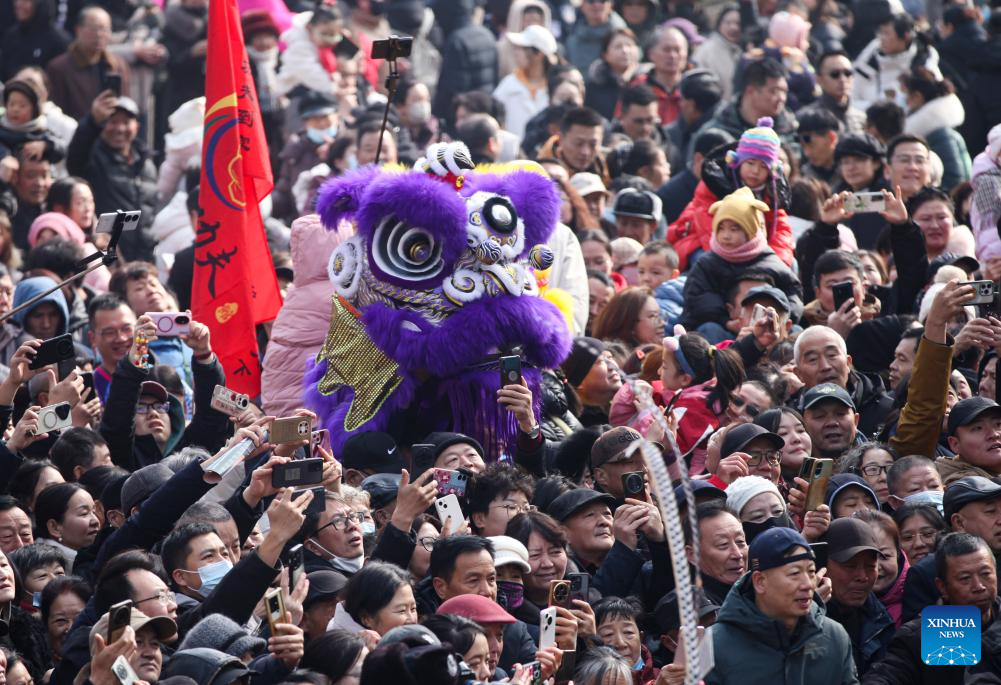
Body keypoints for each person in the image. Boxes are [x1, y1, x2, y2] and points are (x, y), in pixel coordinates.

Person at [701, 527, 856, 685]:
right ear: (760, 582)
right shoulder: (713, 646)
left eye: (811, 572)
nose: (808, 585)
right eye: (794, 573)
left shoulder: (834, 636)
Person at [863, 532, 997, 685]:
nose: (978, 586)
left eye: (985, 574)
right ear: (942, 587)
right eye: (965, 578)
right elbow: (887, 675)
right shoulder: (928, 633)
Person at [679, 187, 802, 343]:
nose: (726, 235)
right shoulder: (707, 264)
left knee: (796, 333)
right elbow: (697, 299)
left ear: (750, 231)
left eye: (734, 229)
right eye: (721, 228)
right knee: (709, 330)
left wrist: (779, 321)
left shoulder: (771, 263)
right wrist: (726, 321)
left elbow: (793, 296)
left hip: (769, 330)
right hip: (724, 329)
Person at [65, 93, 156, 262]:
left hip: (143, 259)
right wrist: (92, 122)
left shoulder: (147, 164)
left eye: (126, 122)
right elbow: (76, 155)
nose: (119, 128)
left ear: (137, 126)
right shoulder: (93, 159)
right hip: (108, 257)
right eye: (113, 122)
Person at [823, 517, 895, 675]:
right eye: (850, 566)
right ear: (822, 566)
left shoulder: (881, 621)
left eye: (870, 566)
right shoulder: (803, 624)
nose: (862, 576)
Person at [44, 7, 130, 123]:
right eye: (94, 29)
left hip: (112, 130)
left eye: (105, 29)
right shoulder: (58, 68)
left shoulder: (118, 65)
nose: (99, 34)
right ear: (78, 30)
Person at [852, 13, 941, 113]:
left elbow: (935, 102)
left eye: (887, 33)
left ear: (906, 37)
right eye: (881, 32)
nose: (881, 38)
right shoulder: (869, 56)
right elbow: (853, 94)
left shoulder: (924, 62)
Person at [899, 69, 971, 191]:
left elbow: (955, 179)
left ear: (917, 96)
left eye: (905, 94)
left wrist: (933, 197)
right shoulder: (934, 131)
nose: (903, 99)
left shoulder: (941, 135)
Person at [430, 0, 499, 123]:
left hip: (464, 119)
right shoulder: (487, 35)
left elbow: (451, 90)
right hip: (486, 114)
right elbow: (495, 79)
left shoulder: (456, 41)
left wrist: (437, 116)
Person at [492, 24, 558, 144]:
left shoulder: (557, 87)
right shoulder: (508, 84)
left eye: (522, 48)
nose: (516, 52)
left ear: (539, 54)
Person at [632, 25, 689, 127]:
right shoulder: (637, 87)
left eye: (677, 50)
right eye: (666, 50)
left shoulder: (693, 88)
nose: (672, 56)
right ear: (651, 54)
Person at [538, 107, 611, 186]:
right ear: (561, 139)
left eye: (593, 144)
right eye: (579, 143)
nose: (585, 152)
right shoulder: (541, 174)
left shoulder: (605, 167)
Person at [690, 4, 743, 102]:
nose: (733, 27)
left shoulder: (739, 51)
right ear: (719, 23)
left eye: (738, 23)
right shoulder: (706, 51)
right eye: (728, 23)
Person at [565, 0, 627, 73]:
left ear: (611, 4)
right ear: (582, 5)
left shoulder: (625, 37)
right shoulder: (572, 40)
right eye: (591, 1)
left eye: (602, 1)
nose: (597, 5)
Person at [799, 109, 843, 187]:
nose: (807, 153)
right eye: (803, 147)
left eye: (811, 145)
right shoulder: (804, 176)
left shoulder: (852, 173)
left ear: (831, 138)